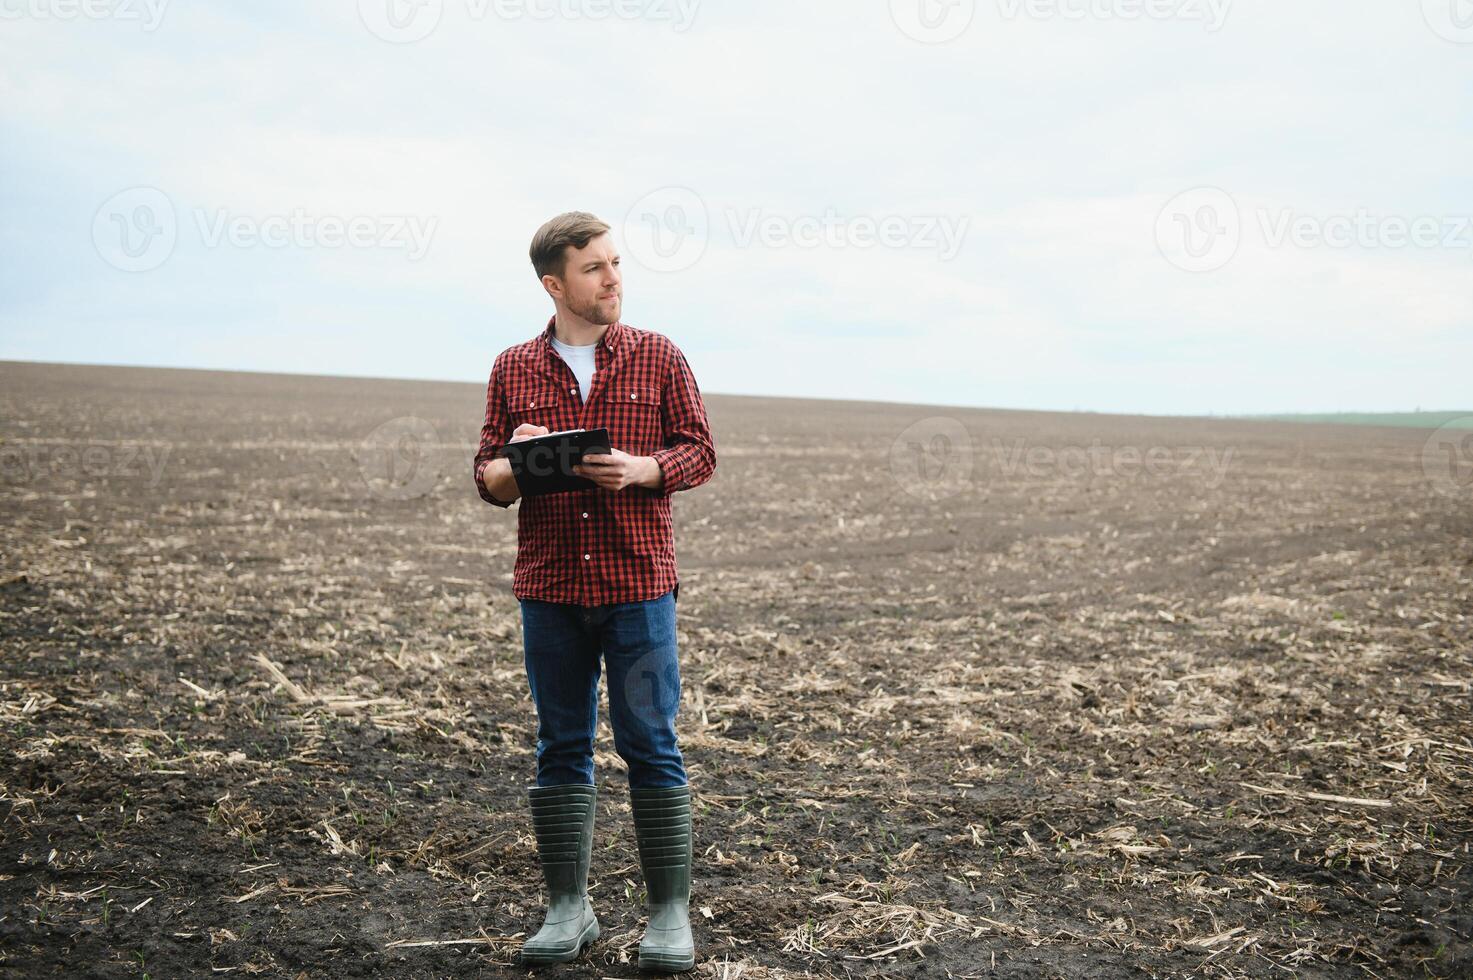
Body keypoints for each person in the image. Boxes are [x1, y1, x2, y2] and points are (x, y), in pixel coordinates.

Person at [473, 211, 716, 972]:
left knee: (651, 743)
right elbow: (487, 477)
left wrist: (645, 469)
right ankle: (567, 910)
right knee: (561, 745)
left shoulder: (658, 356)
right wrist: (516, 463)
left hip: (638, 586)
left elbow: (700, 450)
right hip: (549, 588)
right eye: (595, 268)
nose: (613, 278)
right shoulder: (513, 368)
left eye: (615, 263)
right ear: (555, 284)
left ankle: (668, 916)